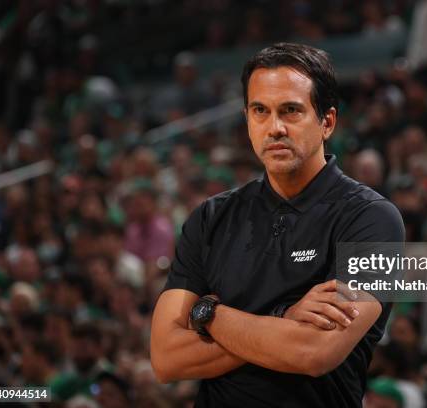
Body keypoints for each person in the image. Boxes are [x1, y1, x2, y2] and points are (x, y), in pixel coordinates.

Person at [151, 42, 404, 407]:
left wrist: (207, 314)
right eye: (260, 111)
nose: (275, 128)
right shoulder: (210, 217)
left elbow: (314, 352)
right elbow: (166, 358)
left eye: (291, 111)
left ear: (327, 122)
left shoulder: (371, 219)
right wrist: (284, 317)